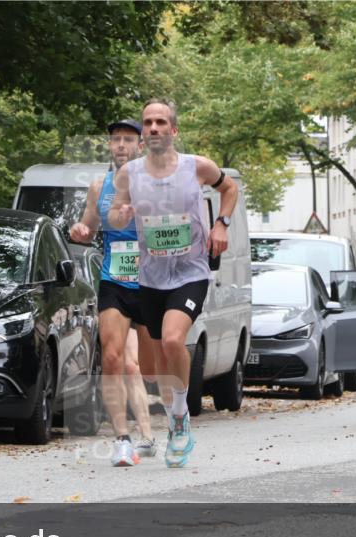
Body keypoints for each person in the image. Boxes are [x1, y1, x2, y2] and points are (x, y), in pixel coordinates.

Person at [108, 99, 239, 468]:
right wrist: (123, 213)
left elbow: (230, 190)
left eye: (160, 122)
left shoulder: (197, 167)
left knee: (171, 340)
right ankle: (173, 415)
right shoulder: (129, 174)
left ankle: (179, 422)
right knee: (153, 369)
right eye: (147, 122)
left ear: (173, 130)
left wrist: (221, 225)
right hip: (150, 276)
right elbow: (115, 218)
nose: (152, 128)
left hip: (191, 272)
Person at [70, 119, 157, 467]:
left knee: (145, 365)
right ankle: (123, 439)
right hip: (115, 280)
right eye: (115, 139)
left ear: (140, 146)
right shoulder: (99, 186)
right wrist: (81, 230)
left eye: (128, 140)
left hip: (152, 282)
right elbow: (88, 228)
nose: (121, 145)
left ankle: (153, 432)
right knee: (112, 358)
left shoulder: (156, 184)